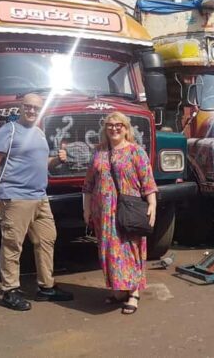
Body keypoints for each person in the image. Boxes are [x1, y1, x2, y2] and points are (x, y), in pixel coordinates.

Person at [0, 93, 73, 311]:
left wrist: (57, 160)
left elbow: (43, 164)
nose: (32, 111)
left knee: (47, 239)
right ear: (20, 108)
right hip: (15, 197)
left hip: (40, 196)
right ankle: (10, 291)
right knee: (13, 244)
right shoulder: (9, 131)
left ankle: (46, 288)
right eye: (28, 107)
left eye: (36, 108)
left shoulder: (40, 133)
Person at [82, 111, 157, 315]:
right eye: (110, 125)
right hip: (103, 213)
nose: (114, 128)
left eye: (119, 125)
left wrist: (152, 205)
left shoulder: (136, 151)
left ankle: (133, 292)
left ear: (126, 128)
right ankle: (119, 290)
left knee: (130, 249)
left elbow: (148, 182)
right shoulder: (99, 152)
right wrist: (86, 208)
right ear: (105, 129)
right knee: (110, 251)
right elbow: (88, 184)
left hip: (128, 209)